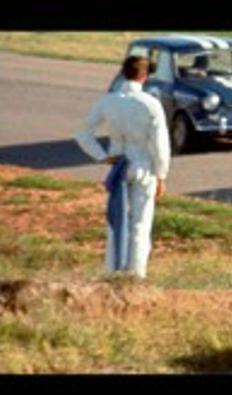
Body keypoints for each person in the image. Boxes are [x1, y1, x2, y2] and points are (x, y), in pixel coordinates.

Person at [74, 56, 170, 279]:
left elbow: (83, 134)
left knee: (116, 220)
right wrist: (161, 175)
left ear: (123, 73)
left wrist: (102, 156)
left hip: (118, 164)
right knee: (141, 223)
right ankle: (136, 275)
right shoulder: (150, 103)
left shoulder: (107, 101)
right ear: (145, 76)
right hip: (143, 165)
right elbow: (160, 144)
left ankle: (112, 270)